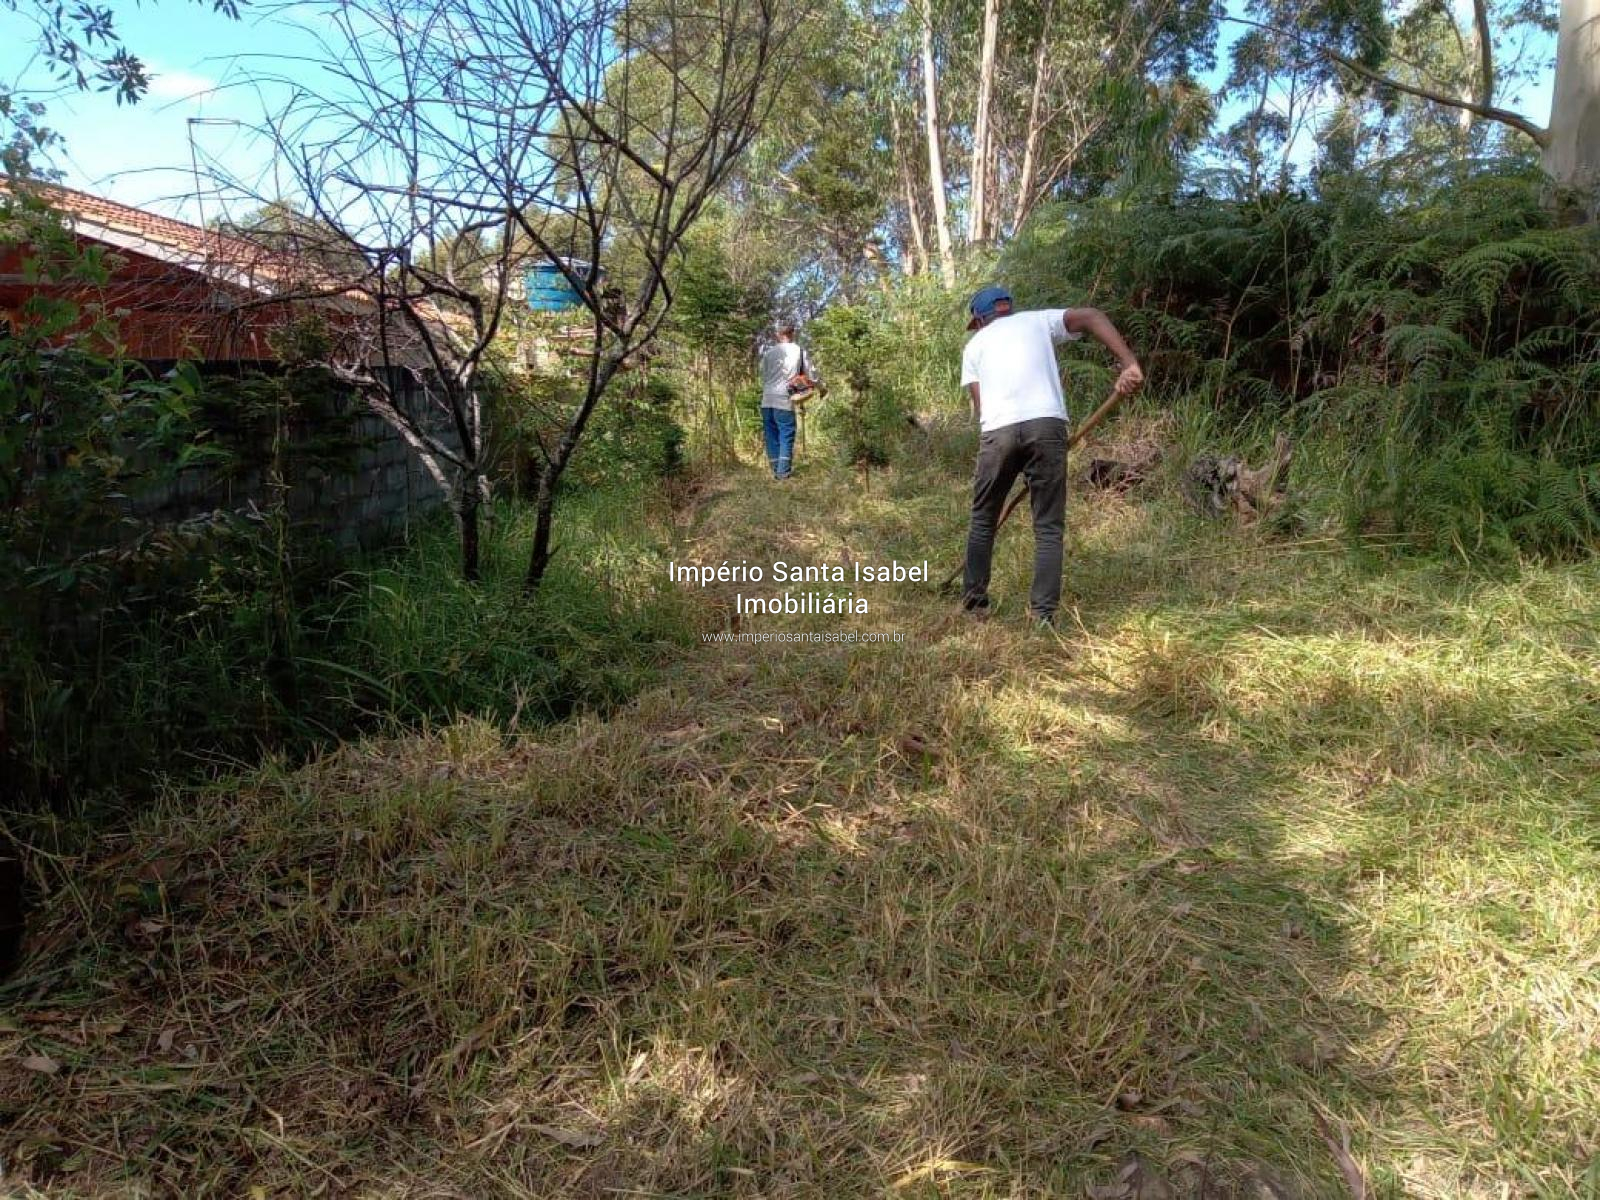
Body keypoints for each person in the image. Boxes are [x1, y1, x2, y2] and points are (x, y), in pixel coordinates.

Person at [959, 285, 1144, 623]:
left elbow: (982, 407)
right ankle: (1042, 615)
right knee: (1047, 525)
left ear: (979, 320)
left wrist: (1009, 457)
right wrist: (1129, 363)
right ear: (1008, 309)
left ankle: (975, 605)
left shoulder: (973, 347)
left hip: (998, 432)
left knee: (983, 519)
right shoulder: (1038, 321)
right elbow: (1092, 316)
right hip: (1046, 426)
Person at [757, 322, 818, 480]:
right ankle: (783, 473)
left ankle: (776, 469)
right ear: (792, 334)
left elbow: (764, 376)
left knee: (771, 435)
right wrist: (819, 386)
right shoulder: (799, 351)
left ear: (778, 335)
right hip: (784, 400)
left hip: (767, 399)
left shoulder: (769, 353)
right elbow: (811, 375)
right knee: (786, 433)